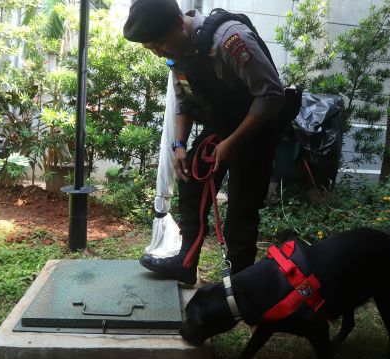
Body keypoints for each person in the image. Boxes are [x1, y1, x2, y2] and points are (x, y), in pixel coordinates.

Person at [123, 0, 288, 285]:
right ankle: (186, 263)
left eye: (160, 44)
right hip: (221, 125)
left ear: (178, 23)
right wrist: (178, 146)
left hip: (257, 127)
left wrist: (234, 142)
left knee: (241, 208)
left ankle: (238, 284)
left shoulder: (231, 39)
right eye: (151, 49)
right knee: (191, 185)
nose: (159, 53)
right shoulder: (179, 52)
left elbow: (272, 94)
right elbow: (185, 101)